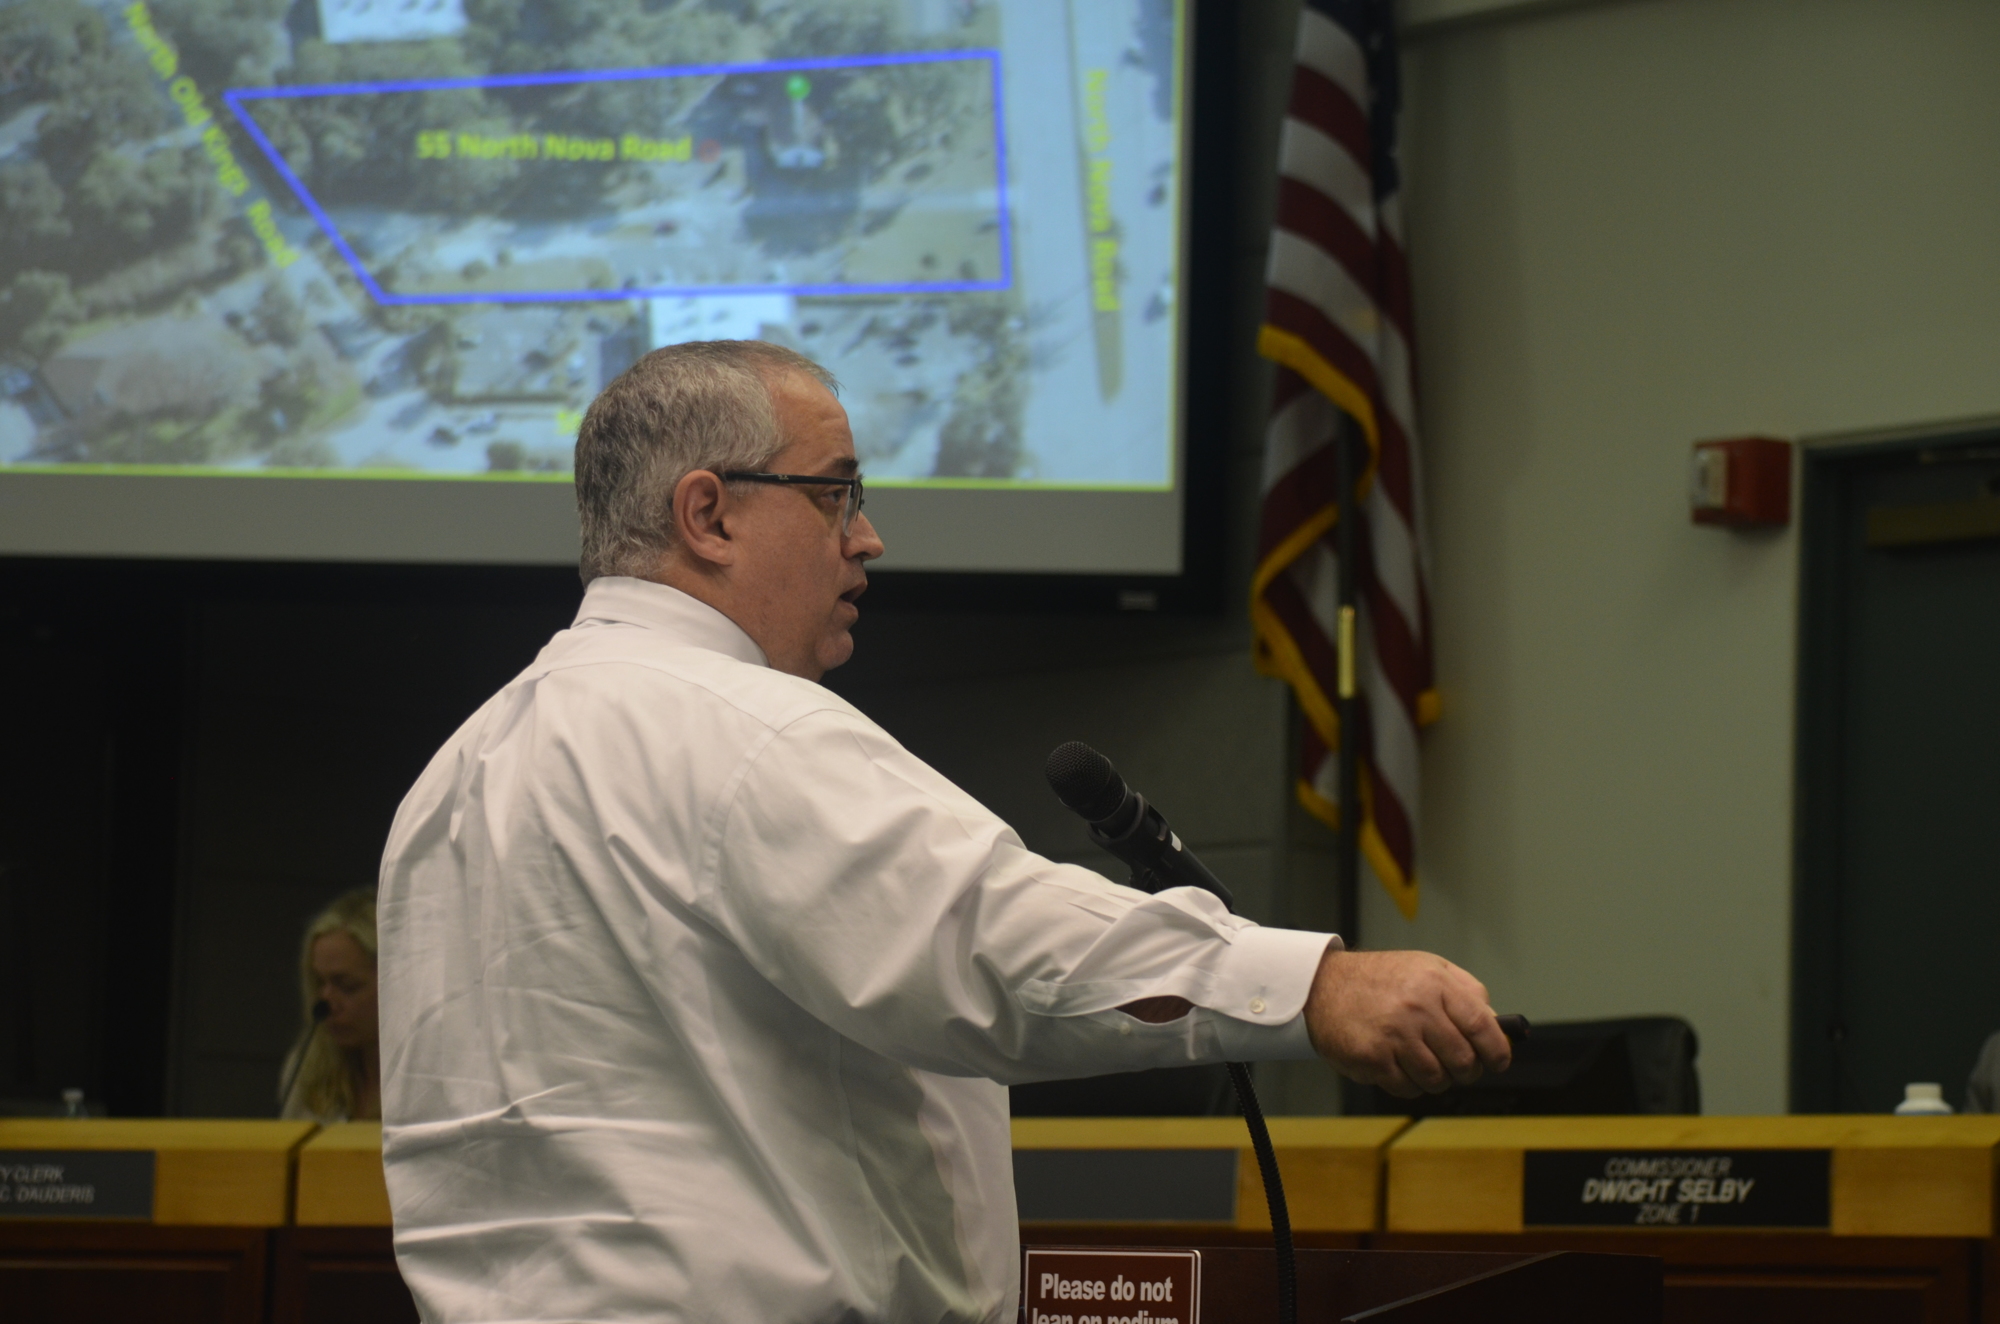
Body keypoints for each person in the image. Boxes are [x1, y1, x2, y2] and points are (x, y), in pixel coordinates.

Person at [377, 340, 1511, 1323]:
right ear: (708, 514)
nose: (866, 537)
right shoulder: (744, 730)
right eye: (834, 494)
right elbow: (987, 940)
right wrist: (1306, 986)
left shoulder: (453, 777)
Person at [279, 888, 381, 1122]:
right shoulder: (305, 1071)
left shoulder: (434, 1081)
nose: (326, 1002)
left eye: (347, 986)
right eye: (319, 983)